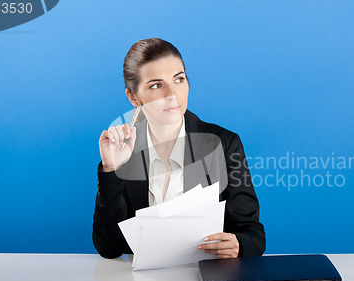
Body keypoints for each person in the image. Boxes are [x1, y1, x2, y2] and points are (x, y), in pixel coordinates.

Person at [93, 38, 265, 259]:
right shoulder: (126, 152)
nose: (172, 94)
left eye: (179, 79)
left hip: (206, 276)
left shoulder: (224, 144)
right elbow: (109, 248)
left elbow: (253, 235)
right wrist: (112, 169)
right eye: (156, 85)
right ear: (133, 97)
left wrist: (240, 244)